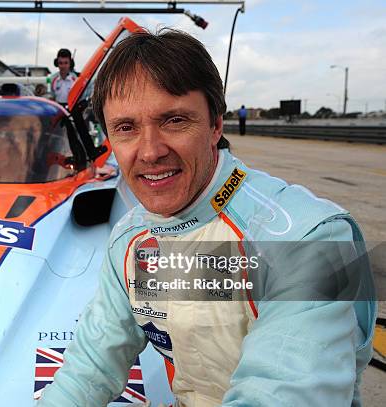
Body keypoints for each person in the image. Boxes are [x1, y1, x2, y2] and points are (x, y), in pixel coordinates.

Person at [38, 29, 375, 406]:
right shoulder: (130, 239)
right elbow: (89, 369)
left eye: (175, 120)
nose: (149, 152)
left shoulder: (309, 238)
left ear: (216, 125)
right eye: (126, 128)